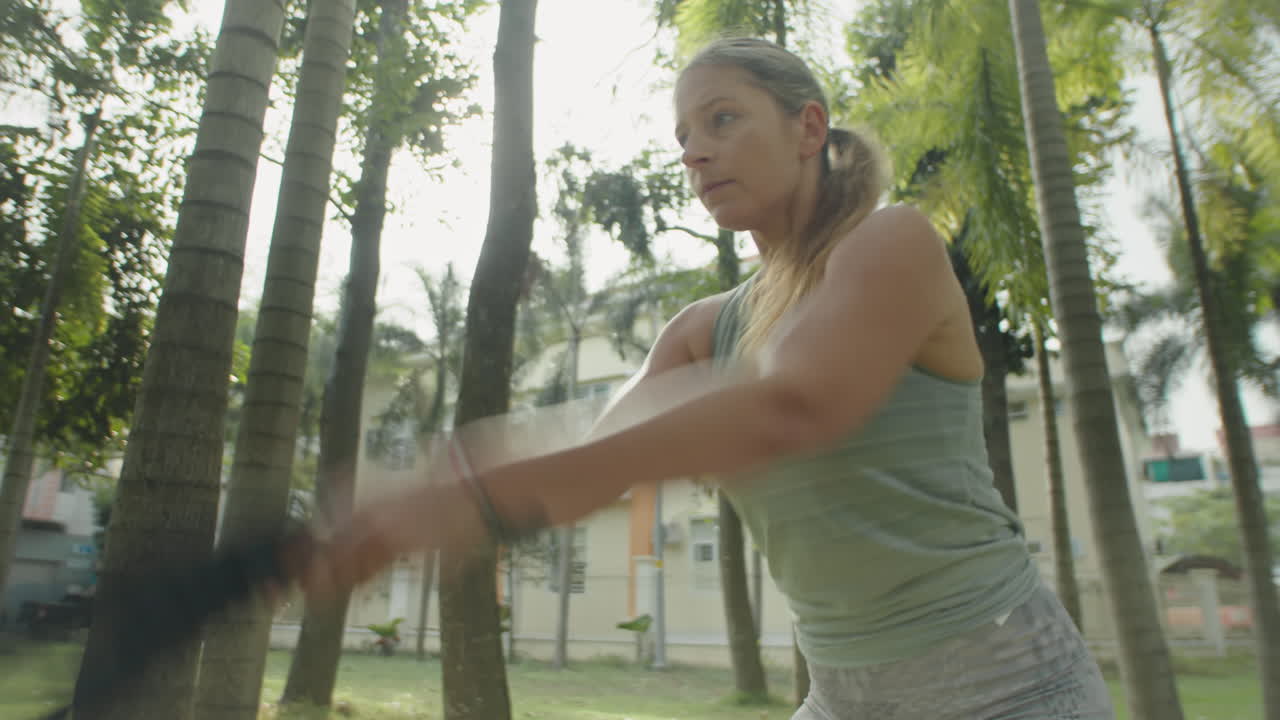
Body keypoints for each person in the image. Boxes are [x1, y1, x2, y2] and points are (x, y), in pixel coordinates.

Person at [302, 37, 1115, 720]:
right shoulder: (701, 330)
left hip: (1012, 684)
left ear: (809, 128)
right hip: (842, 691)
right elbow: (597, 456)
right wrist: (415, 510)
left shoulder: (891, 244)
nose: (695, 151)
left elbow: (794, 407)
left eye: (723, 120)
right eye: (685, 135)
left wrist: (475, 493)